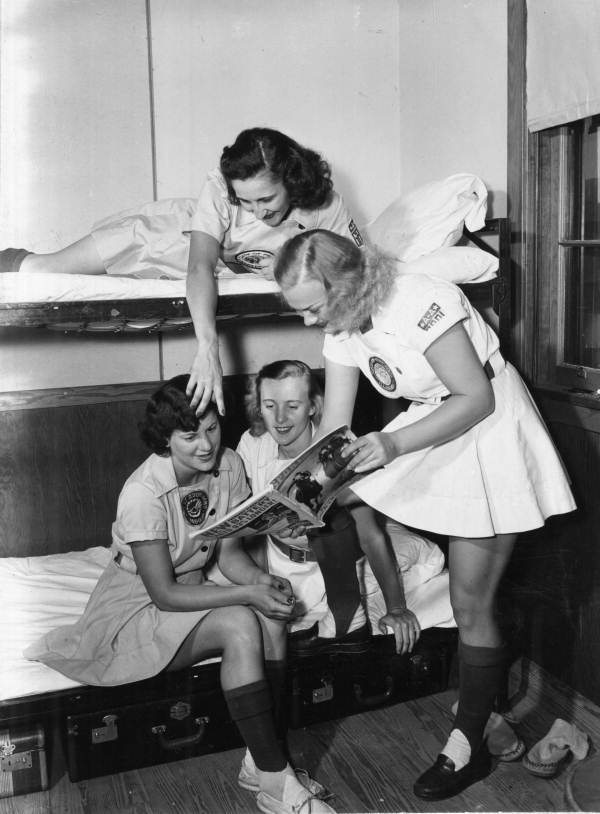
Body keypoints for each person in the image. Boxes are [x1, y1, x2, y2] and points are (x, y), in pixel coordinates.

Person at [272, 230, 577, 801]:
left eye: (314, 307)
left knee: (470, 600)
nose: (311, 322)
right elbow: (335, 431)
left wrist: (389, 448)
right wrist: (294, 493)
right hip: (431, 420)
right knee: (339, 500)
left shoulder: (416, 297)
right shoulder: (341, 327)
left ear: (349, 284)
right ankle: (484, 708)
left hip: (485, 425)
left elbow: (475, 398)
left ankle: (467, 747)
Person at [24, 374, 337, 814]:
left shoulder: (227, 465)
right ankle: (275, 785)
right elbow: (164, 594)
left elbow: (229, 557)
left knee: (272, 615)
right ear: (165, 440)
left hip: (189, 592)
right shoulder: (142, 493)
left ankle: (261, 762)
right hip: (133, 608)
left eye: (211, 429)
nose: (206, 444)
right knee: (241, 621)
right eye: (189, 436)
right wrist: (246, 594)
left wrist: (261, 582)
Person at [1, 128, 364, 417]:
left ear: (291, 179)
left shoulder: (325, 205)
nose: (256, 212)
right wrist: (207, 347)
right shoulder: (220, 190)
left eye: (266, 200)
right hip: (171, 237)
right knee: (42, 270)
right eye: (246, 201)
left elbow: (354, 264)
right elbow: (199, 267)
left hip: (229, 265)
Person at [236, 359, 425, 655]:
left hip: (337, 570)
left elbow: (371, 535)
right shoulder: (251, 444)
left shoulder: (339, 452)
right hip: (280, 562)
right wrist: (264, 580)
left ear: (312, 406)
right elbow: (254, 532)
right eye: (270, 406)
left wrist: (397, 607)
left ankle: (346, 621)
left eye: (293, 406)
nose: (280, 418)